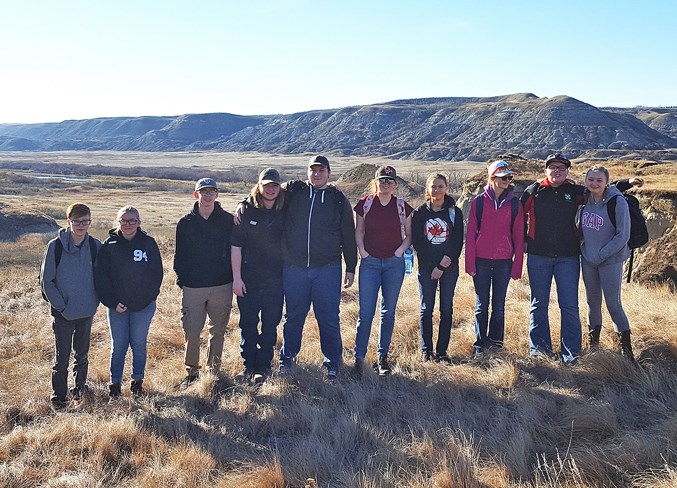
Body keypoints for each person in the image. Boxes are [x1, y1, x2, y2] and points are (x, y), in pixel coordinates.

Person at [278, 155, 357, 379]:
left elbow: (348, 235)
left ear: (329, 173)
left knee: (329, 317)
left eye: (321, 170)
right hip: (295, 268)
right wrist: (243, 206)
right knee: (294, 316)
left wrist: (351, 266)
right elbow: (266, 194)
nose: (317, 173)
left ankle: (332, 362)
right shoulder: (295, 193)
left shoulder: (338, 199)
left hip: (327, 268)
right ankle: (287, 360)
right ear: (307, 172)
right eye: (313, 170)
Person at [521, 153, 586, 364]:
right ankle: (539, 351)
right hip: (539, 256)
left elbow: (601, 191)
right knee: (538, 305)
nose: (557, 171)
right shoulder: (534, 191)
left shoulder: (576, 192)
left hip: (568, 257)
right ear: (545, 170)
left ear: (567, 171)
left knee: (569, 306)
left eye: (562, 168)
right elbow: (517, 216)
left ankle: (571, 354)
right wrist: (523, 240)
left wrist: (626, 184)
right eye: (553, 167)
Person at [94, 206, 163, 398]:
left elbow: (156, 275)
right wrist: (112, 302)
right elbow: (101, 277)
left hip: (143, 307)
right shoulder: (109, 245)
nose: (128, 224)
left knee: (138, 344)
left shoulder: (148, 243)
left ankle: (137, 383)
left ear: (139, 222)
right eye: (124, 220)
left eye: (132, 220)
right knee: (119, 346)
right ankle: (114, 385)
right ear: (118, 222)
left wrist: (142, 300)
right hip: (117, 307)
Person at [174, 178, 234, 388]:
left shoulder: (228, 220)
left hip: (222, 285)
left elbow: (235, 251)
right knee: (192, 330)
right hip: (193, 287)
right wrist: (183, 280)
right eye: (203, 192)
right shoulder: (186, 223)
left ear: (217, 195)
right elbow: (179, 256)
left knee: (217, 331)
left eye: (211, 191)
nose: (207, 196)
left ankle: (213, 371)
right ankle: (192, 372)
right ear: (196, 195)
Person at [40, 203, 101, 410]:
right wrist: (62, 307)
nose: (81, 225)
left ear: (90, 221)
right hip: (63, 314)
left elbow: (103, 278)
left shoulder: (95, 246)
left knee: (82, 355)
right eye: (77, 221)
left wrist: (94, 302)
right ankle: (59, 399)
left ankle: (79, 390)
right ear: (69, 222)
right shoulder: (55, 247)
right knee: (61, 359)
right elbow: (47, 282)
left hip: (86, 312)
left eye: (85, 221)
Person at [353, 166, 413, 375]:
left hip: (393, 264)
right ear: (376, 182)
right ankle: (359, 359)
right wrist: (362, 251)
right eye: (382, 180)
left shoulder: (402, 206)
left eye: (389, 180)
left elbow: (409, 235)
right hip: (369, 263)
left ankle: (382, 358)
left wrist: (399, 252)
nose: (385, 184)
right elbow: (359, 230)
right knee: (366, 313)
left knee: (388, 313)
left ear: (395, 184)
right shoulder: (365, 204)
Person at [231, 168, 285, 384]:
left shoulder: (284, 208)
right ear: (259, 186)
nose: (270, 189)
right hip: (248, 279)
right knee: (248, 324)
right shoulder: (246, 211)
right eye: (266, 185)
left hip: (275, 279)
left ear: (279, 187)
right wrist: (237, 277)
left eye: (275, 185)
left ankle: (263, 366)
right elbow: (236, 246)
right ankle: (248, 366)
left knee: (270, 324)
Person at [465, 161, 524, 358]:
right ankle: (480, 346)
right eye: (503, 177)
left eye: (509, 177)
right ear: (492, 178)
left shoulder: (515, 204)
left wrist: (517, 267)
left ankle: (496, 346)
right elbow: (471, 234)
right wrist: (469, 263)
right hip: (481, 261)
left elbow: (518, 236)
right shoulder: (479, 202)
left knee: (498, 305)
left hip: (503, 262)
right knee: (482, 305)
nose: (507, 181)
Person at [579, 166, 636, 361]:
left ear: (606, 182)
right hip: (588, 260)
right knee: (592, 303)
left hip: (609, 261)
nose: (594, 183)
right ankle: (593, 347)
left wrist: (602, 255)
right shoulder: (585, 198)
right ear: (586, 181)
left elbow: (623, 235)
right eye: (591, 179)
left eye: (599, 180)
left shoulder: (616, 201)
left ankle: (627, 354)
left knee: (614, 305)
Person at [411, 174, 463, 363]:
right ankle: (426, 350)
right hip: (426, 268)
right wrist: (432, 266)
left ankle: (442, 351)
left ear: (446, 188)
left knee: (446, 309)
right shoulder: (419, 213)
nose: (437, 190)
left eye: (440, 186)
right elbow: (417, 242)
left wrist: (441, 266)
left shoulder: (454, 212)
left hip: (449, 268)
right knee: (426, 309)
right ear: (428, 189)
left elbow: (457, 242)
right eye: (433, 187)